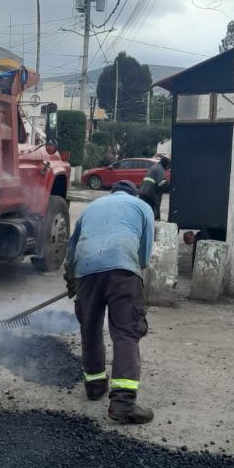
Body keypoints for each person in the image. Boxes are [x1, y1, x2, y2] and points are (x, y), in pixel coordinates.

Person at [64, 179, 155, 424]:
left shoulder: (91, 207)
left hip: (86, 271)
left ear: (112, 192)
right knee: (126, 332)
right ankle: (123, 404)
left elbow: (71, 249)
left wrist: (72, 278)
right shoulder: (141, 207)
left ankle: (94, 387)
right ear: (132, 193)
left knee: (90, 328)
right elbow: (144, 256)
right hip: (123, 271)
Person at [138, 154, 171, 221]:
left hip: (143, 193)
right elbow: (162, 184)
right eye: (169, 166)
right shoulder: (160, 169)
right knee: (154, 215)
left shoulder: (154, 167)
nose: (168, 168)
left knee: (145, 214)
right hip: (150, 195)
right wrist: (170, 186)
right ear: (166, 164)